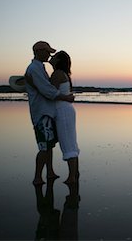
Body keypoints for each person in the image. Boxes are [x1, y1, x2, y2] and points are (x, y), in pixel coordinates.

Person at [25, 41, 74, 185]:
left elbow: (44, 87)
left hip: (46, 112)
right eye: (47, 52)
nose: (49, 54)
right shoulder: (34, 68)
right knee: (44, 146)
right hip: (41, 113)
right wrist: (65, 97)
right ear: (38, 51)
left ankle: (50, 172)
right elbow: (47, 90)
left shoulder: (39, 67)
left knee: (49, 145)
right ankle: (38, 177)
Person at [49, 50, 80, 184]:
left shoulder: (57, 74)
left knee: (67, 143)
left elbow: (50, 93)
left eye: (54, 56)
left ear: (58, 61)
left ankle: (72, 177)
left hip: (62, 111)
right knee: (71, 142)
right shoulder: (65, 74)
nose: (51, 57)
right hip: (66, 110)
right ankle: (75, 173)